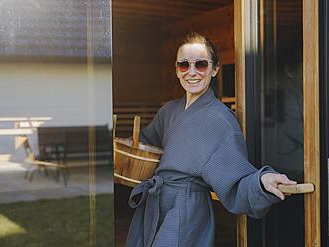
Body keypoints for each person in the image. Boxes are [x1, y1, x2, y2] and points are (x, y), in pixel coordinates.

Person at [125, 32, 296, 247]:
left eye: (201, 64)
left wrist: (261, 182)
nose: (192, 72)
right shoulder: (168, 112)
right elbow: (144, 144)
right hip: (155, 203)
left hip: (185, 213)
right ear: (177, 70)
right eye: (184, 65)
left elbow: (236, 180)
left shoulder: (220, 121)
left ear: (214, 69)